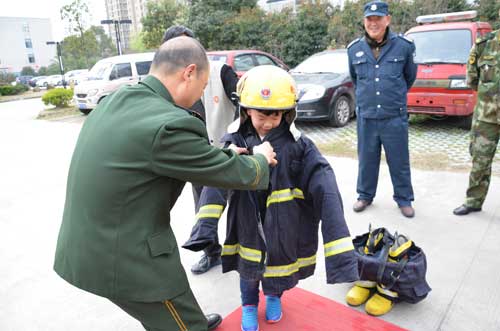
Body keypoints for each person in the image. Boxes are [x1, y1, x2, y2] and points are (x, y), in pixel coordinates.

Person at [53, 36, 278, 331]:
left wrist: (223, 154)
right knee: (183, 323)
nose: (201, 93)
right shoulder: (171, 123)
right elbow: (236, 173)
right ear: (189, 72)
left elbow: (161, 154)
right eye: (202, 84)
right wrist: (260, 159)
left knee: (170, 315)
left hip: (85, 246)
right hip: (126, 257)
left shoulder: (118, 101)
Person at [182, 65, 359, 331]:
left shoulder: (300, 146)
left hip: (284, 225)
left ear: (287, 113)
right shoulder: (234, 141)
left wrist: (341, 252)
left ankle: (274, 297)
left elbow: (326, 186)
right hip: (246, 224)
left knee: (278, 267)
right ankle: (250, 305)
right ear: (246, 110)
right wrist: (205, 228)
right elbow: (216, 180)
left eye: (275, 115)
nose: (268, 122)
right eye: (261, 115)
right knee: (248, 270)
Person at [162, 25, 239, 275]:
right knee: (203, 208)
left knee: (242, 203)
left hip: (228, 153)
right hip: (196, 157)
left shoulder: (220, 71)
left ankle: (245, 249)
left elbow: (244, 103)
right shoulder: (167, 85)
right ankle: (212, 253)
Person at [347, 0, 417, 218]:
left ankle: (404, 199)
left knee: (399, 160)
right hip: (367, 116)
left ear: (388, 20)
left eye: (378, 19)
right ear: (364, 21)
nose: (373, 23)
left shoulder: (404, 47)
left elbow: (409, 77)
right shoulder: (354, 49)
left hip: (394, 116)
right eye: (369, 19)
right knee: (367, 159)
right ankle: (365, 195)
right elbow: (356, 79)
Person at [453, 23, 500, 216]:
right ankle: (473, 201)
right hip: (486, 117)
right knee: (480, 162)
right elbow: (472, 79)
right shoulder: (484, 45)